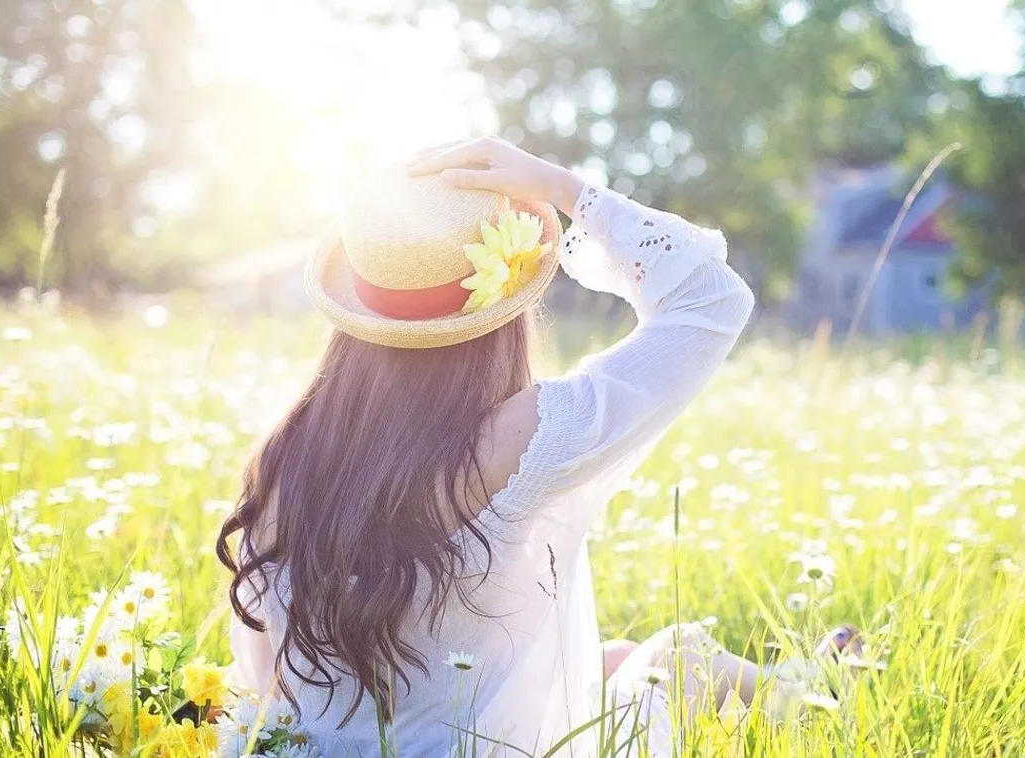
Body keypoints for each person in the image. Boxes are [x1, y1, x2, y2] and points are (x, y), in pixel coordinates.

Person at [217, 137, 847, 757]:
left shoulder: (286, 456)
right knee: (679, 658)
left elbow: (266, 680)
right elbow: (712, 297)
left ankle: (806, 687)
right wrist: (567, 189)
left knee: (618, 662)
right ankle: (819, 692)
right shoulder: (521, 437)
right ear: (503, 309)